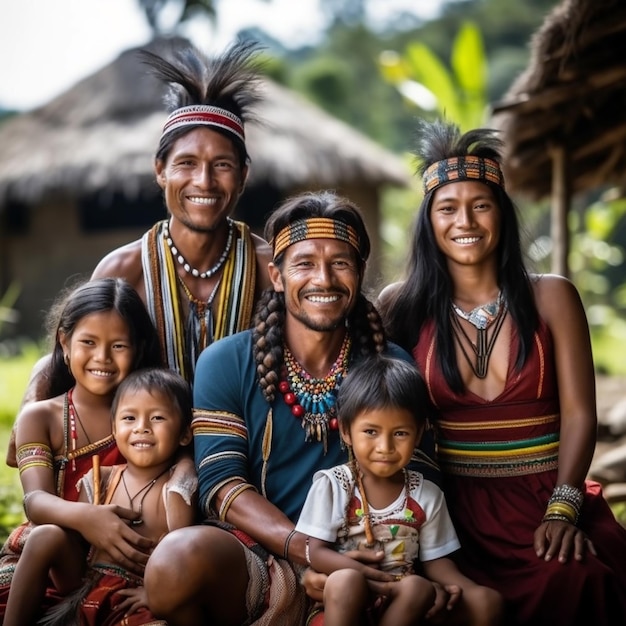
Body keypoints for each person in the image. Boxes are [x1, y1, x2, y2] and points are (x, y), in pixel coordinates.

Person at [142, 190, 441, 626]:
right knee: (173, 565)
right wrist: (305, 548)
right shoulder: (226, 361)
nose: (324, 278)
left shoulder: (390, 365)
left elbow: (419, 481)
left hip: (369, 553)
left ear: (359, 273)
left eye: (340, 263)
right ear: (277, 276)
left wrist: (353, 562)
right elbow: (221, 484)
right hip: (261, 551)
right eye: (304, 264)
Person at [377, 118, 626, 626]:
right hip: (448, 510)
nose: (464, 220)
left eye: (480, 205)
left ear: (502, 216)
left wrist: (564, 506)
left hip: (546, 495)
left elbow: (580, 413)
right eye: (447, 208)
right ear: (429, 221)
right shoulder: (399, 306)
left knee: (577, 578)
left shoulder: (551, 296)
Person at [5, 38, 272, 467]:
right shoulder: (124, 270)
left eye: (222, 165)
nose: (203, 180)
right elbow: (81, 364)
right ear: (160, 170)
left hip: (247, 460)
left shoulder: (267, 267)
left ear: (242, 176)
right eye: (186, 163)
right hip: (144, 466)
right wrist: (41, 390)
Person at [295, 355, 503, 626]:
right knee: (347, 581)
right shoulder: (334, 485)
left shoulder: (424, 493)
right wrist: (362, 572)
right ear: (346, 431)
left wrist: (464, 589)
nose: (385, 447)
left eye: (400, 433)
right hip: (345, 599)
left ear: (418, 435)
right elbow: (317, 552)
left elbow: (436, 562)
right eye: (371, 432)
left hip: (401, 601)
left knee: (429, 590)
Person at [0, 277, 163, 619]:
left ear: (138, 348)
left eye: (119, 346)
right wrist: (89, 518)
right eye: (88, 342)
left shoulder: (153, 415)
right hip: (59, 561)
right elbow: (36, 502)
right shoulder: (41, 417)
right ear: (64, 341)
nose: (102, 357)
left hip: (127, 564)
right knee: (45, 536)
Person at [4, 367, 197, 626]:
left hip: (134, 594)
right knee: (43, 535)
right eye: (129, 418)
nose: (142, 428)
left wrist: (154, 594)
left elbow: (181, 552)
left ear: (185, 433)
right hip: (85, 581)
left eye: (158, 418)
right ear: (114, 430)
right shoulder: (102, 479)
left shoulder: (175, 487)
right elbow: (79, 542)